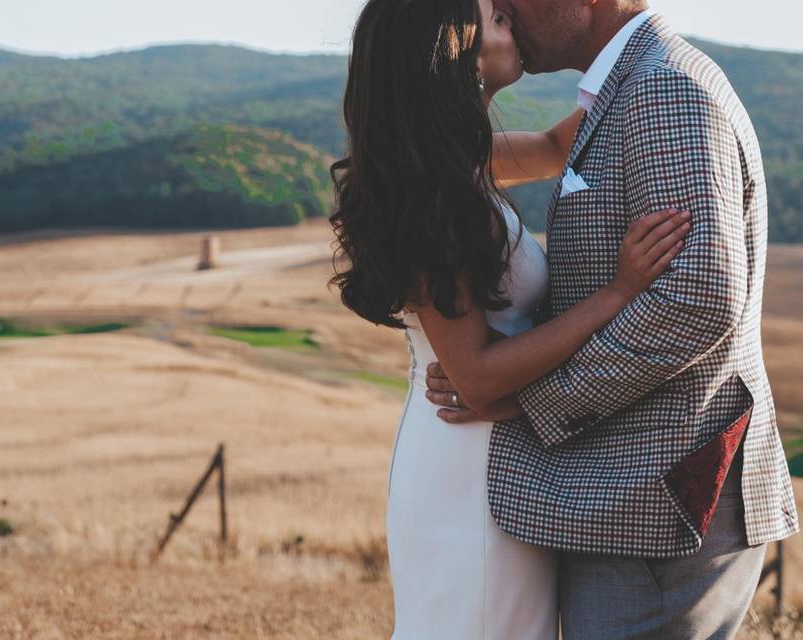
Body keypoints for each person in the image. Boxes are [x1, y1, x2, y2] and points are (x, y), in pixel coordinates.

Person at [424, 1, 799, 638]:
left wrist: (533, 396)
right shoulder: (631, 84)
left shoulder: (665, 88)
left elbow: (695, 297)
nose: (504, 7)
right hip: (625, 497)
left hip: (660, 499)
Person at [330, 0, 693, 637]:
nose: (511, 16)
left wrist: (645, 58)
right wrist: (617, 293)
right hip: (469, 463)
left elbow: (560, 143)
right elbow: (475, 375)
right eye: (495, 17)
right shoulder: (431, 197)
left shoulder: (459, 160)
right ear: (458, 55)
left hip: (497, 457)